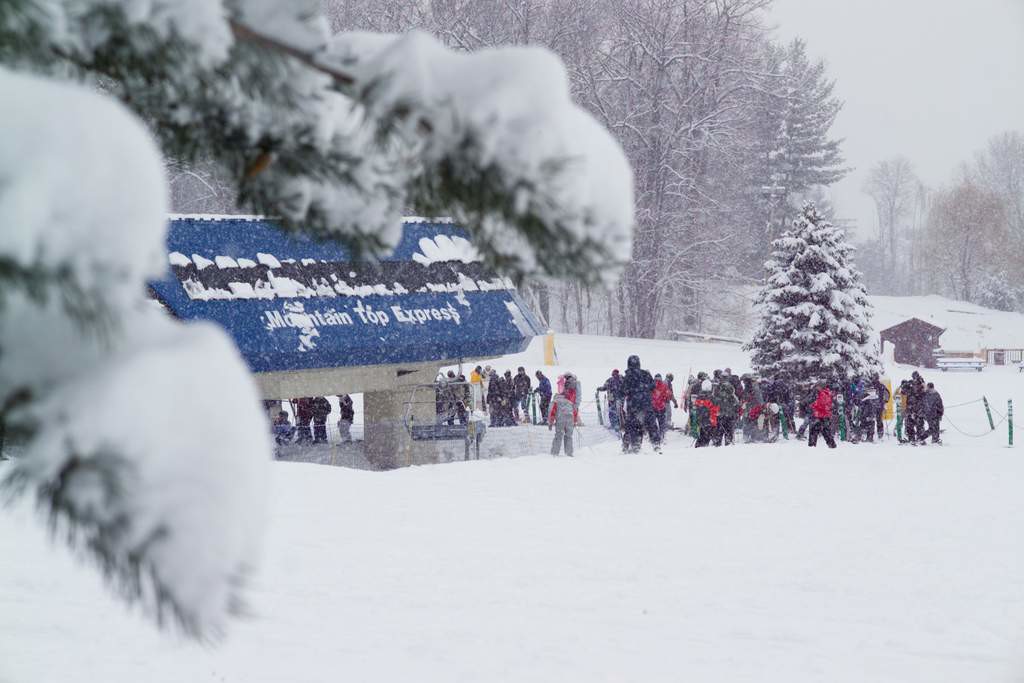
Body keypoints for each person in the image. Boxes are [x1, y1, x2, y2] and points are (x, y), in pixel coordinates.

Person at [617, 354, 660, 453]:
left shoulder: (628, 377)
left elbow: (621, 392)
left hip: (633, 406)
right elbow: (653, 386)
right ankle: (656, 444)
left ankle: (633, 445)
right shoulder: (645, 374)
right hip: (646, 404)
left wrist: (630, 391)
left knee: (632, 426)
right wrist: (645, 388)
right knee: (651, 424)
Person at [807, 382, 837, 448]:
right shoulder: (827, 393)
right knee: (825, 431)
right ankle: (832, 445)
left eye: (817, 386)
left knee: (815, 431)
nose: (816, 388)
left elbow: (822, 404)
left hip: (821, 415)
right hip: (824, 415)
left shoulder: (823, 393)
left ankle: (811, 446)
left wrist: (813, 405)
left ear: (821, 387)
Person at [548, 389, 576, 457]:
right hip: (570, 419)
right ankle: (569, 453)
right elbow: (575, 412)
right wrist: (574, 422)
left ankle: (554, 453)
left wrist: (550, 423)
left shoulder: (555, 401)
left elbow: (552, 412)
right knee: (569, 436)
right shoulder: (569, 402)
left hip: (561, 419)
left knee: (558, 436)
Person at [692, 379, 718, 447]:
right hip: (709, 421)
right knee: (707, 437)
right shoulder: (711, 398)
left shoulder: (699, 397)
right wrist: (713, 422)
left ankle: (699, 446)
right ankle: (703, 447)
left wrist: (696, 420)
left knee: (702, 435)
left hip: (701, 420)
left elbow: (695, 409)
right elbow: (714, 410)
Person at [712, 381, 739, 446]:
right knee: (729, 433)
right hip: (730, 417)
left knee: (719, 432)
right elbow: (737, 406)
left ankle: (717, 444)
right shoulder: (733, 397)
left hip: (720, 417)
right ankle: (728, 443)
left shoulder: (718, 396)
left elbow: (714, 404)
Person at [651, 374, 674, 441]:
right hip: (661, 407)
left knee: (653, 423)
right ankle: (662, 436)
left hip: (653, 407)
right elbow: (668, 395)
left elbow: (648, 395)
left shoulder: (651, 386)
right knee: (661, 423)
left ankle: (654, 437)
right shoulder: (664, 386)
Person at [870, 373, 890, 439]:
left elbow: (887, 393)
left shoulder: (881, 386)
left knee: (878, 420)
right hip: (872, 405)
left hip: (878, 405)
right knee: (873, 420)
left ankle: (879, 434)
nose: (874, 379)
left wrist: (885, 401)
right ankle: (872, 434)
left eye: (875, 378)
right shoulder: (871, 386)